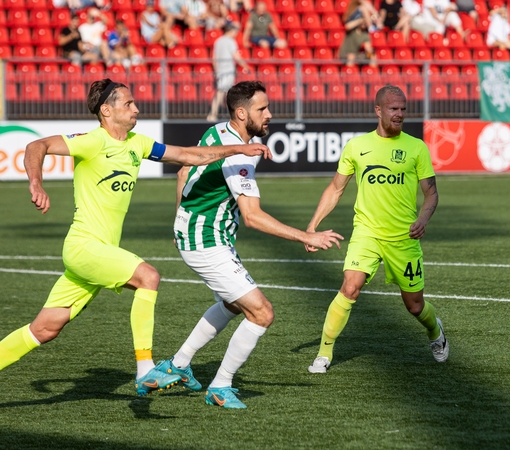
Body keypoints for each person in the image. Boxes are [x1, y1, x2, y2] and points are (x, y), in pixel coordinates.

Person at [0, 79, 271, 397]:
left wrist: (238, 148)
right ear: (106, 110)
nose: (136, 108)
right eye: (128, 104)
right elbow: (36, 146)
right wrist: (36, 183)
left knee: (44, 329)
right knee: (148, 277)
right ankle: (145, 369)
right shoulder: (92, 142)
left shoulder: (138, 143)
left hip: (98, 255)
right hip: (84, 247)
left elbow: (189, 156)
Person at [155, 81, 343, 409]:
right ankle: (220, 385)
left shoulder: (217, 132)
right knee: (261, 313)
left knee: (232, 304)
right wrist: (307, 236)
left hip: (201, 234)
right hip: (206, 241)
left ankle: (179, 364)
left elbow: (184, 171)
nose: (270, 114)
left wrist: (179, 219)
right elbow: (253, 216)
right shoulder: (239, 156)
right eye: (262, 109)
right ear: (242, 113)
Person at [306, 85, 446, 375]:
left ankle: (435, 331)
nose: (400, 114)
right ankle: (324, 353)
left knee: (415, 306)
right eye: (394, 109)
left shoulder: (416, 147)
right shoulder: (357, 146)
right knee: (350, 287)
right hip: (366, 233)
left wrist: (423, 220)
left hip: (403, 238)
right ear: (378, 110)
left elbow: (431, 194)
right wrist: (312, 226)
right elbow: (335, 189)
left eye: (403, 109)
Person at [207, 22, 251, 122]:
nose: (236, 34)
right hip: (227, 71)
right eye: (235, 32)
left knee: (224, 93)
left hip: (220, 71)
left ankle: (221, 115)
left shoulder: (218, 41)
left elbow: (214, 58)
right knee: (222, 93)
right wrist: (246, 66)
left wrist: (216, 71)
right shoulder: (231, 41)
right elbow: (236, 56)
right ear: (231, 31)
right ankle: (213, 115)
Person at [340, 0, 378, 66]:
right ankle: (349, 72)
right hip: (344, 54)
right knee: (351, 56)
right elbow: (347, 26)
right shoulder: (352, 30)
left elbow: (368, 48)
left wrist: (370, 54)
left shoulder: (365, 34)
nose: (364, 24)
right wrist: (361, 20)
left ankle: (373, 71)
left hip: (356, 55)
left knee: (372, 55)